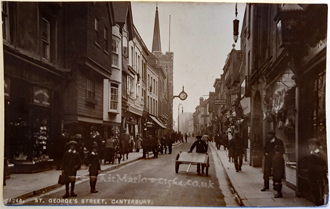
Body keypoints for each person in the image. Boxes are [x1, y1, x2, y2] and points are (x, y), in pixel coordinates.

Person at [307, 138, 328, 205]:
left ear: (316, 146)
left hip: (319, 177)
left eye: (311, 145)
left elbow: (323, 166)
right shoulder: (311, 154)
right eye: (309, 145)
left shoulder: (319, 154)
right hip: (313, 176)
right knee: (315, 192)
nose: (310, 147)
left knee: (319, 192)